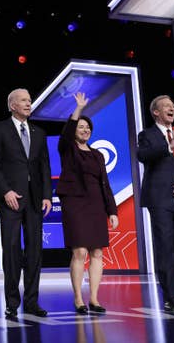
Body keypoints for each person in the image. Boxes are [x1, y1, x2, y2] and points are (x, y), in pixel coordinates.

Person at [0, 87, 52, 318]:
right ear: (12, 105)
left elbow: (44, 166)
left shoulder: (39, 132)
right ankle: (12, 303)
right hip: (10, 200)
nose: (28, 103)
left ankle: (32, 302)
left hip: (35, 200)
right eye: (24, 100)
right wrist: (6, 192)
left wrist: (46, 195)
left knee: (35, 251)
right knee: (12, 251)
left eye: (30, 99)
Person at [55, 92, 119, 315]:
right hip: (75, 203)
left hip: (96, 205)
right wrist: (79, 109)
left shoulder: (98, 155)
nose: (85, 130)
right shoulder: (68, 149)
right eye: (81, 127)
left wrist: (112, 210)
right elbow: (66, 134)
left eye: (87, 128)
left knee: (97, 252)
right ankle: (77, 299)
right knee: (80, 251)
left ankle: (94, 299)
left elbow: (105, 184)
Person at [137, 95, 174, 312]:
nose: (172, 109)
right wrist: (166, 146)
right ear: (156, 112)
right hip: (159, 199)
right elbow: (142, 155)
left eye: (173, 106)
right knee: (165, 246)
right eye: (166, 107)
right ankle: (169, 295)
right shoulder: (147, 135)